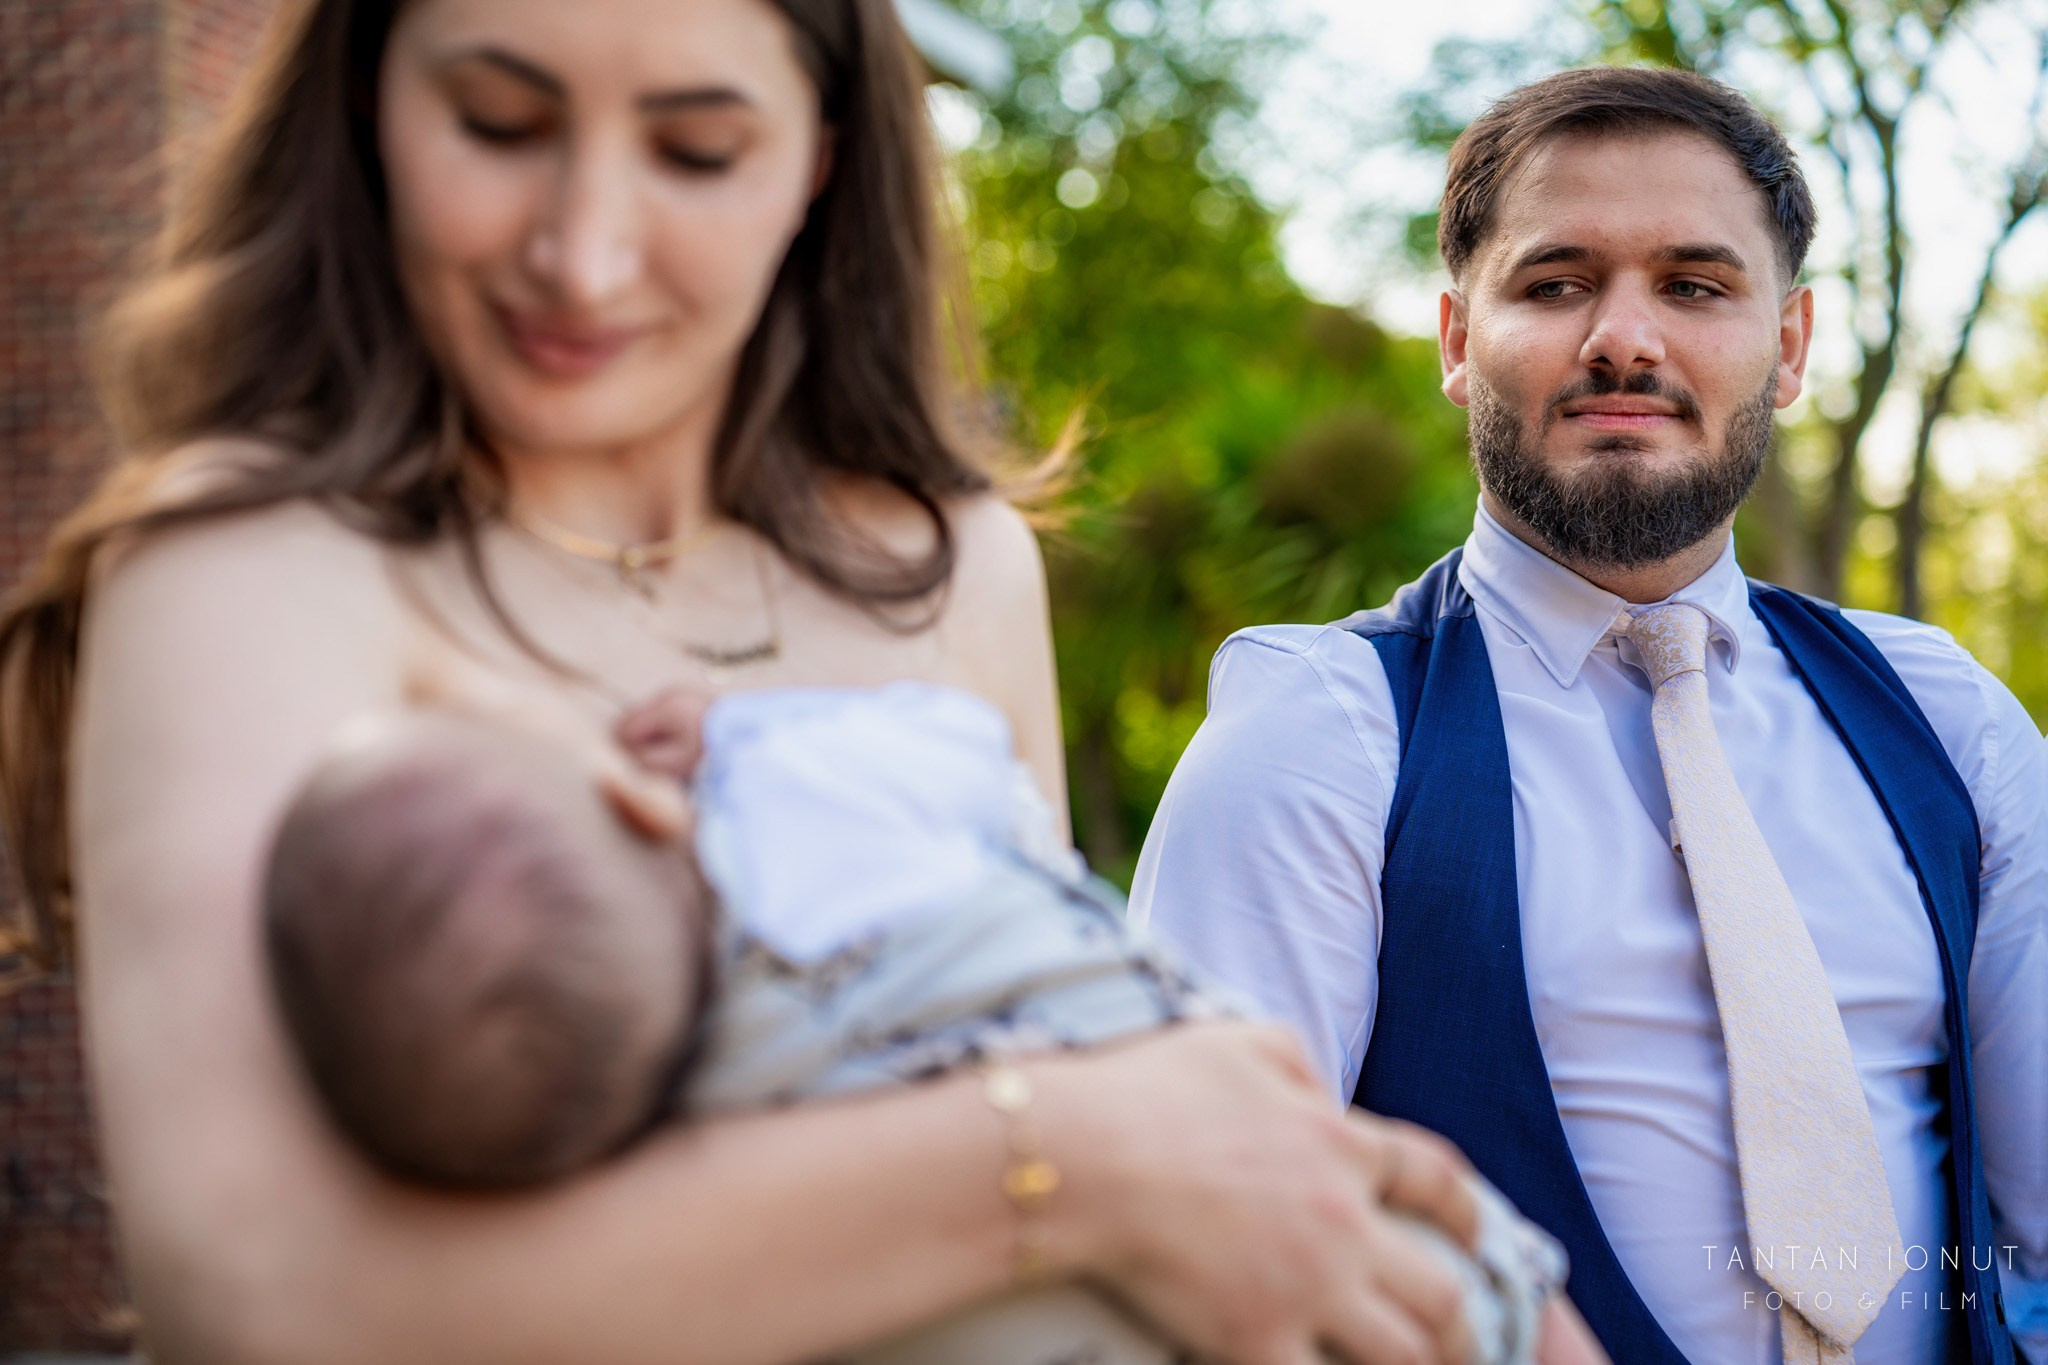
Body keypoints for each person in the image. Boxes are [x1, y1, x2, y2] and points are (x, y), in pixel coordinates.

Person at [0, 0, 1492, 1360]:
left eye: (697, 152)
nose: (583, 254)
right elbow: (263, 1298)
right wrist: (1080, 1157)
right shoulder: (247, 562)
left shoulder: (951, 563)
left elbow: (1047, 1003)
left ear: (821, 162)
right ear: (368, 105)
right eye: (498, 125)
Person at [1132, 67, 2047, 1365]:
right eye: (1557, 283)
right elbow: (1199, 1264)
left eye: (1695, 285)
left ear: (1790, 345)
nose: (1625, 339)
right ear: (1459, 341)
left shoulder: (1950, 722)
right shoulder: (1320, 738)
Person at [261, 682, 1596, 1364]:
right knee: (1478, 1291)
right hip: (1332, 1244)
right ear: (637, 800)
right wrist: (748, 729)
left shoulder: (705, 1133)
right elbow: (968, 755)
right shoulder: (794, 802)